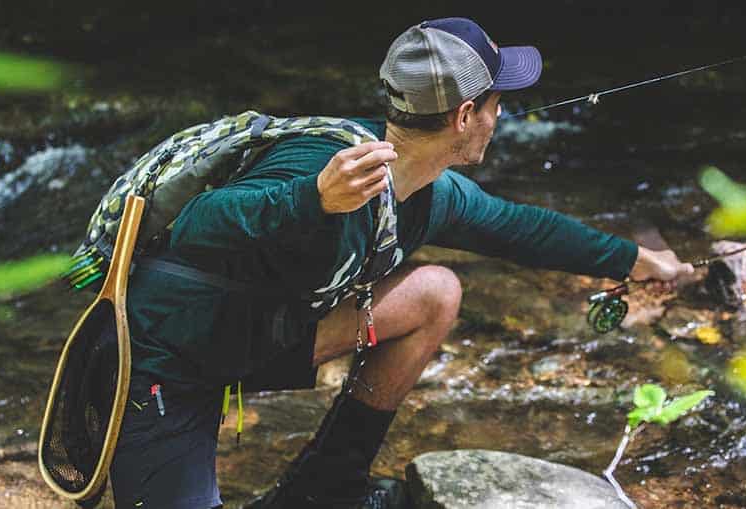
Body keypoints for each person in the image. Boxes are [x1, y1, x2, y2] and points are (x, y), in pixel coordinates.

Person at [109, 17, 693, 509]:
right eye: (496, 102)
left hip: (262, 335)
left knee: (435, 292)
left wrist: (639, 260)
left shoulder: (430, 191)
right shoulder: (325, 162)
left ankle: (327, 488)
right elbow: (199, 223)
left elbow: (523, 229)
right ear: (466, 115)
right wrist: (311, 200)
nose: (500, 115)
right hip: (171, 356)